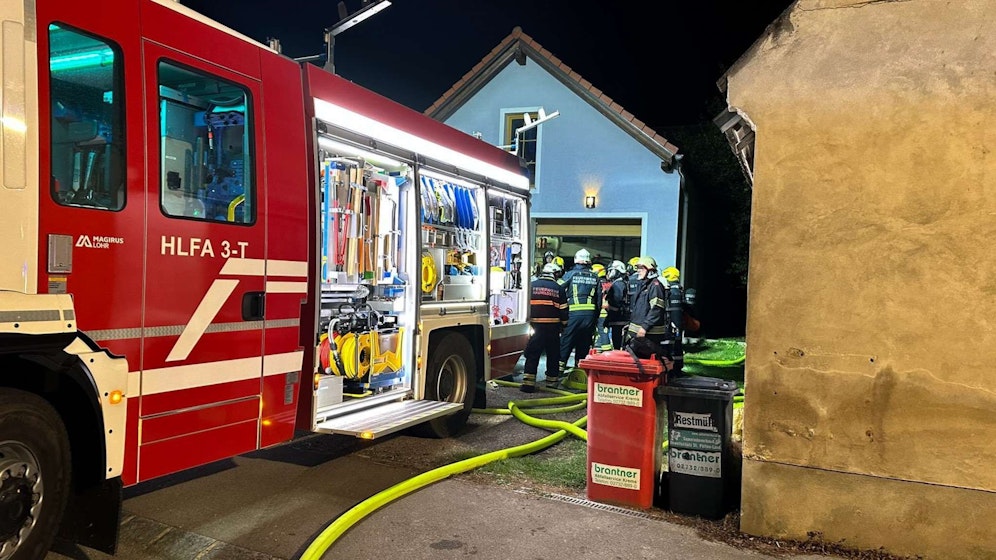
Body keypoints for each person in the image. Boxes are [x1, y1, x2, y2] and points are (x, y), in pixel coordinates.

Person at [556, 248, 601, 386]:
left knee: (566, 342)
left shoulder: (570, 274)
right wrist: (595, 318)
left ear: (576, 260)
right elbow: (599, 300)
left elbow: (557, 289)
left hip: (573, 314)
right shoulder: (595, 277)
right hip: (590, 316)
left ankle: (557, 373)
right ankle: (579, 373)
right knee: (584, 343)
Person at [521, 262, 568, 393]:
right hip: (553, 328)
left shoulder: (531, 286)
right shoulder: (558, 288)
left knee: (533, 354)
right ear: (554, 273)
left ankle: (527, 384)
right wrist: (564, 325)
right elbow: (563, 310)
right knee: (553, 355)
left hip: (534, 326)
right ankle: (551, 385)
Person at [626, 256, 668, 351]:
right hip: (639, 335)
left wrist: (644, 327)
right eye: (638, 268)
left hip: (650, 335)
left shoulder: (655, 286)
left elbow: (656, 309)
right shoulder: (644, 285)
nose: (638, 271)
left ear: (650, 270)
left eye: (641, 268)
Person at [603, 260, 629, 349]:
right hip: (621, 320)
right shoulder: (623, 283)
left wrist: (607, 306)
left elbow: (616, 303)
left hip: (618, 320)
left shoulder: (618, 284)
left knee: (617, 346)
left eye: (611, 270)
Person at [592, 263, 613, 351]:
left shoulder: (599, 284)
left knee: (600, 330)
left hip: (601, 311)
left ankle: (604, 349)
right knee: (603, 330)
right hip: (608, 311)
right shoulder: (610, 284)